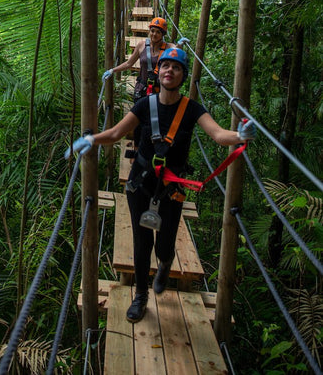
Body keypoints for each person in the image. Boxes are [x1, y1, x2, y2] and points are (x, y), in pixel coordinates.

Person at [66, 47, 256, 323]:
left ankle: (166, 263)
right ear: (159, 71)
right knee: (141, 242)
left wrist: (239, 135)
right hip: (140, 183)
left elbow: (217, 134)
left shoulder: (192, 109)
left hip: (171, 188)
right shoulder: (145, 104)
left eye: (176, 68)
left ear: (182, 75)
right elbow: (118, 132)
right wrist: (93, 139)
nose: (170, 70)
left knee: (164, 244)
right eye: (165, 66)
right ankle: (140, 296)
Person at [102, 17, 174, 149]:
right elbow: (129, 63)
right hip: (142, 88)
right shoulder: (142, 45)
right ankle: (136, 148)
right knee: (138, 120)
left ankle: (150, 148)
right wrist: (113, 70)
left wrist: (180, 46)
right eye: (152, 31)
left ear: (163, 34)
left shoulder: (168, 48)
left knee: (156, 121)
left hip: (159, 91)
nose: (154, 34)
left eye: (158, 32)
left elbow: (177, 52)